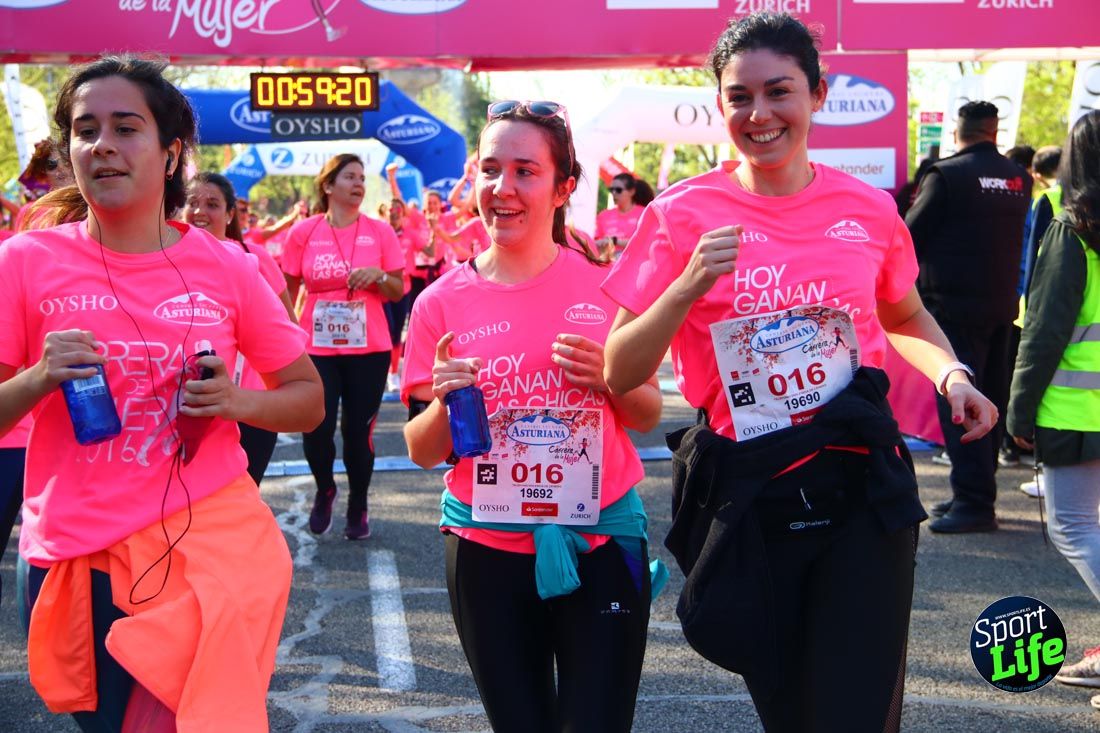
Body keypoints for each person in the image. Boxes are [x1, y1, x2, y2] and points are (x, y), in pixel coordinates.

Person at [600, 13, 996, 732]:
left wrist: (953, 377)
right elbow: (619, 368)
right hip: (751, 495)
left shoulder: (868, 209)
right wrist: (685, 287)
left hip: (861, 486)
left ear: (817, 94)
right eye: (739, 96)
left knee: (855, 708)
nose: (759, 113)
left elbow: (907, 316)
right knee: (792, 713)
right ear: (720, 105)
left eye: (778, 91)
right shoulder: (681, 214)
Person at [0, 55, 323, 731]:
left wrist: (235, 402)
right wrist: (38, 377)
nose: (103, 145)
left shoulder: (226, 265)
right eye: (85, 130)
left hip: (208, 551)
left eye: (126, 128)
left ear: (172, 152)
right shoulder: (25, 262)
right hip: (79, 557)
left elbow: (307, 398)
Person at [402, 99, 664, 733]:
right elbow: (421, 449)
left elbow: (647, 414)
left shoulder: (608, 287)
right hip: (485, 545)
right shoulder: (440, 302)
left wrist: (608, 378)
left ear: (563, 187)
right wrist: (445, 400)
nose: (504, 188)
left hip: (602, 538)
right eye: (491, 169)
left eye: (526, 171)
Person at [1007, 110, 1100, 708]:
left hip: (1075, 412)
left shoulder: (1074, 232)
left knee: (1075, 527)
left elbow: (1043, 334)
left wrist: (1018, 413)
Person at [906, 100, 1032, 533]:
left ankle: (974, 502)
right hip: (1001, 307)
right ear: (994, 132)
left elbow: (908, 236)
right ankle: (976, 492)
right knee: (989, 398)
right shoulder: (1018, 177)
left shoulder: (947, 174)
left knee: (960, 402)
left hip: (951, 309)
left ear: (957, 133)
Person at [281, 154, 405, 540]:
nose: (359, 184)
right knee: (315, 427)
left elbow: (398, 289)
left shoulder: (380, 232)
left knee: (357, 433)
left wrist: (379, 276)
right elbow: (287, 290)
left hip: (369, 349)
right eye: (350, 177)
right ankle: (325, 489)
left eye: (362, 178)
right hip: (316, 347)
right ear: (328, 185)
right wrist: (286, 334)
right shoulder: (303, 232)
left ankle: (358, 503)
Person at [184, 171, 298, 484]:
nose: (200, 211)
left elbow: (289, 325)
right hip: (189, 398)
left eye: (212, 204)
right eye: (192, 202)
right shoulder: (165, 259)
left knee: (245, 489)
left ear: (230, 214)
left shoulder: (253, 257)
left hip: (252, 399)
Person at [595, 173, 646, 260]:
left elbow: (645, 243)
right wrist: (600, 244)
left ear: (632, 192)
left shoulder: (644, 213)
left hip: (635, 263)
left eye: (618, 190)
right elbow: (595, 242)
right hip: (608, 263)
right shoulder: (603, 215)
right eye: (611, 189)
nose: (614, 193)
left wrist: (615, 241)